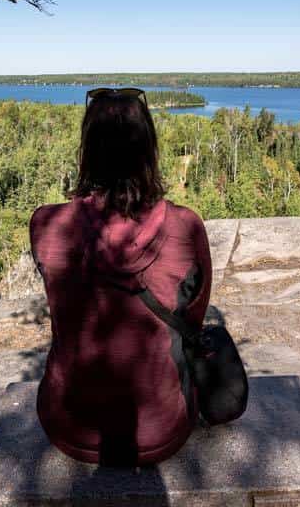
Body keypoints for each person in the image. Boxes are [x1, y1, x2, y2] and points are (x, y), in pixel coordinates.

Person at [28, 87, 213, 467]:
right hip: (161, 430)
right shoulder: (185, 226)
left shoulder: (46, 224)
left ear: (88, 151)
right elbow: (191, 319)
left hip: (69, 427)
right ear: (148, 150)